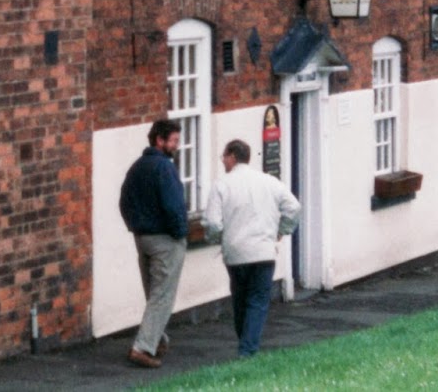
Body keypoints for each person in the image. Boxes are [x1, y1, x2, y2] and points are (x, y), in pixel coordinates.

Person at [204, 138, 301, 358]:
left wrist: (219, 239)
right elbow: (294, 207)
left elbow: (212, 223)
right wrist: (281, 230)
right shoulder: (269, 182)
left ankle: (245, 347)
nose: (222, 161)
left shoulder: (221, 185)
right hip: (264, 251)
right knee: (257, 301)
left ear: (232, 156)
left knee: (240, 300)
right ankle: (247, 349)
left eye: (223, 156)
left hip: (236, 253)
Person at [117, 118, 188, 369]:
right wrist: (180, 233)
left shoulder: (136, 167)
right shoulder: (165, 168)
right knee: (162, 295)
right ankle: (143, 347)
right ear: (160, 140)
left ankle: (157, 339)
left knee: (154, 294)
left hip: (142, 238)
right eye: (174, 140)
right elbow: (174, 206)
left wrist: (134, 226)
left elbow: (124, 202)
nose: (176, 145)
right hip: (165, 240)